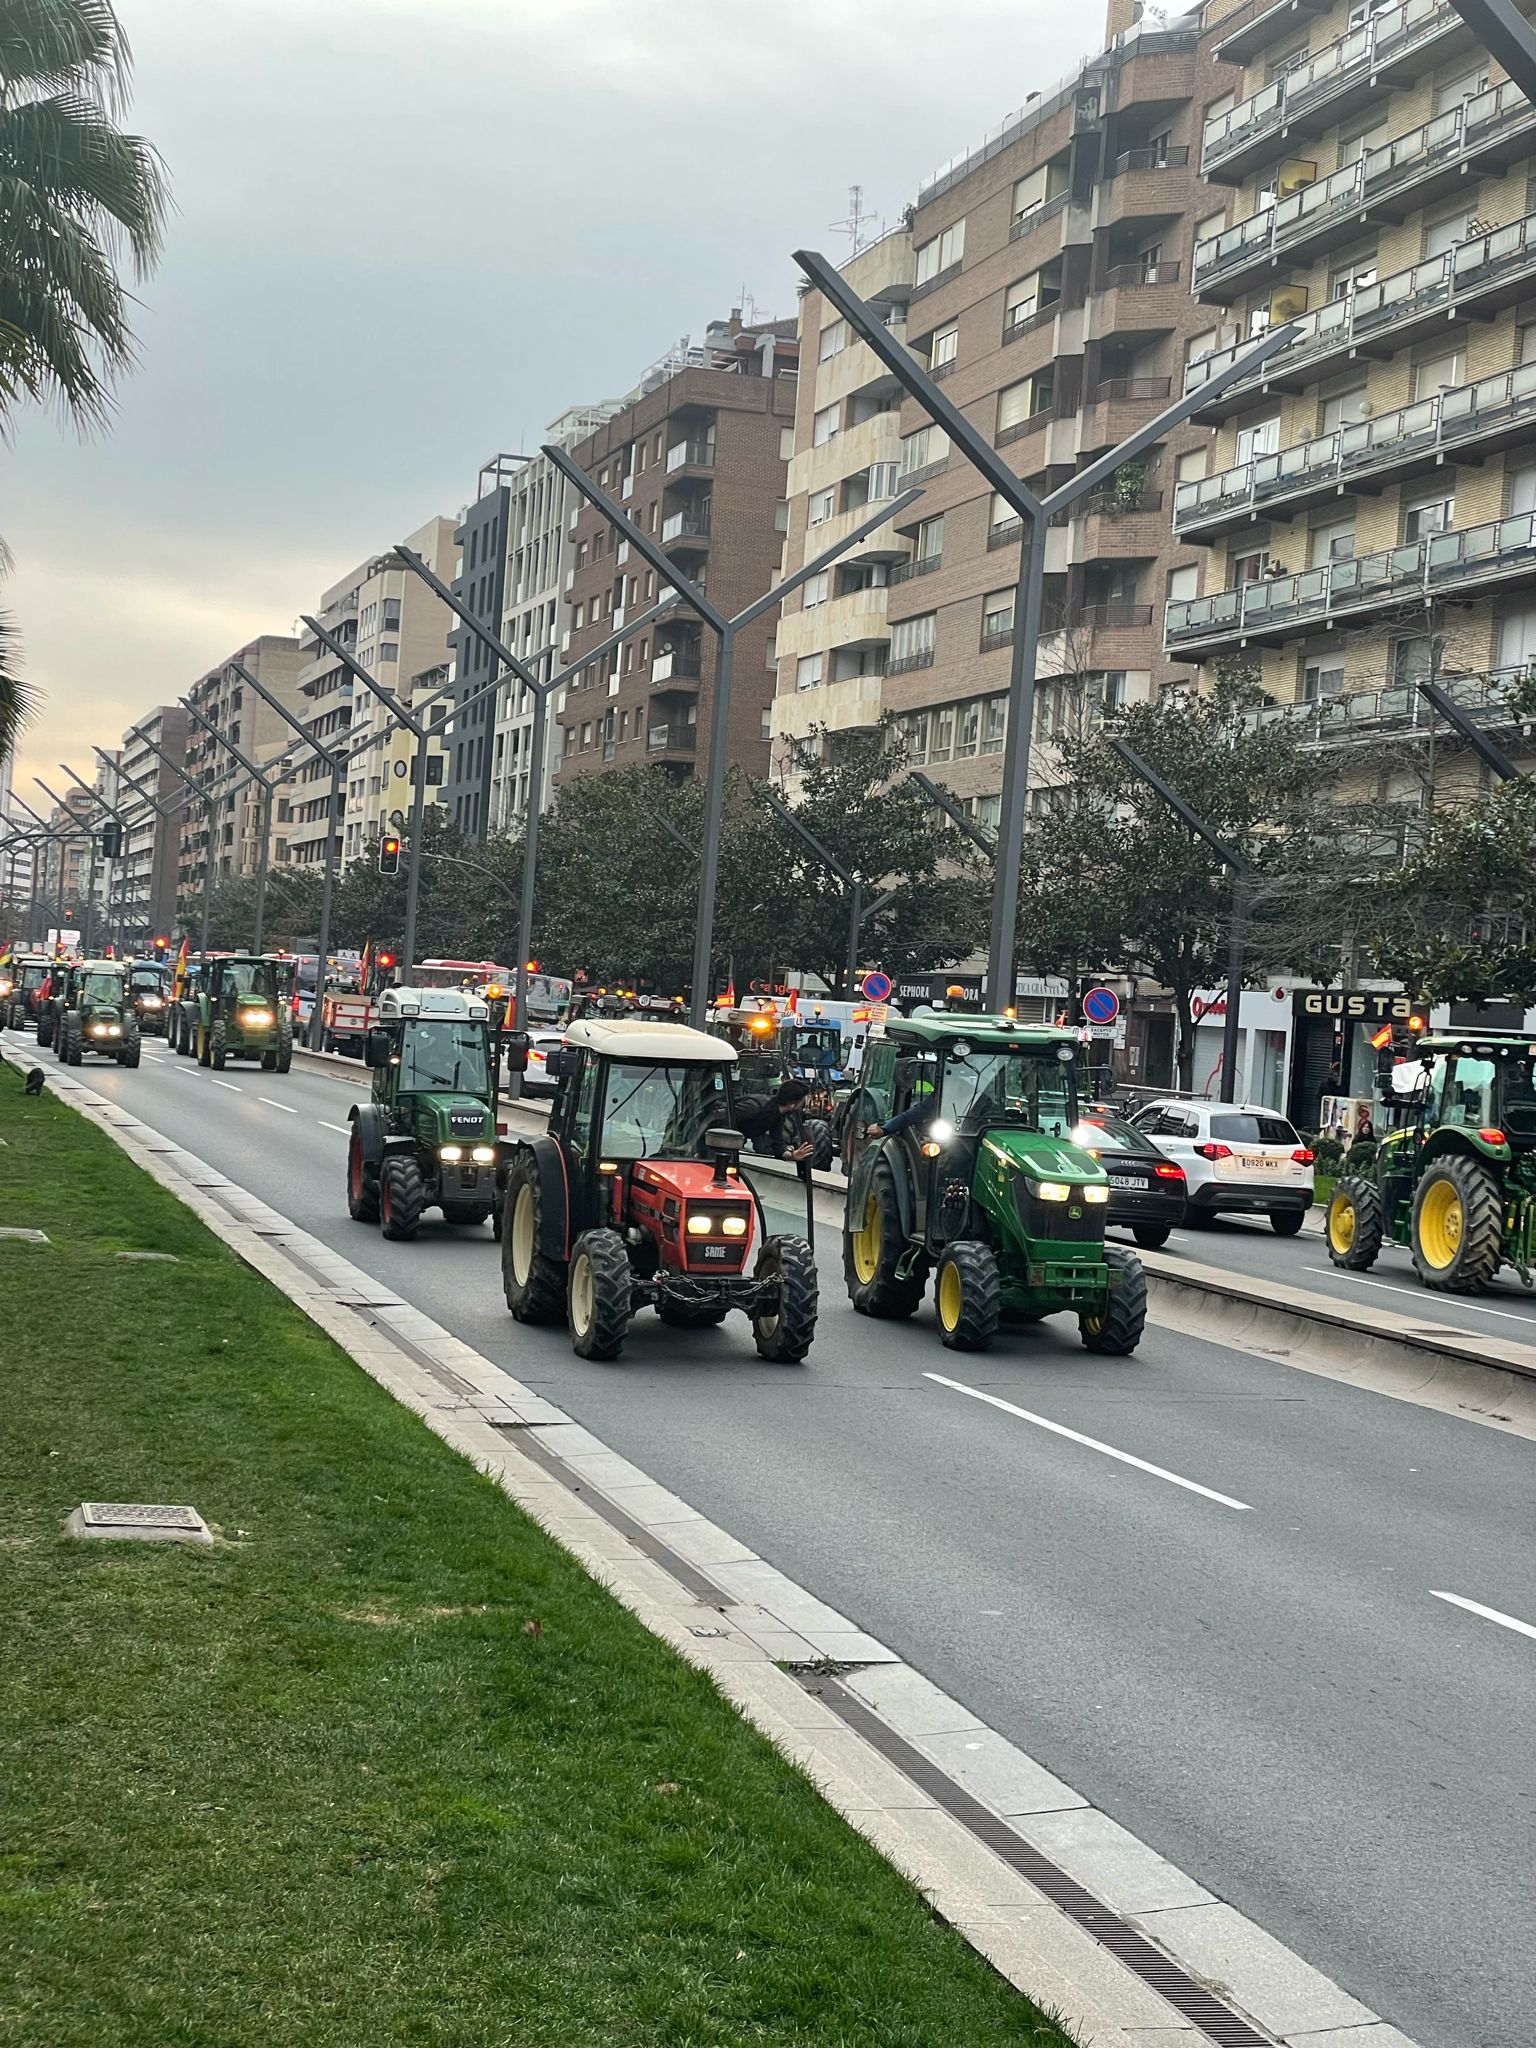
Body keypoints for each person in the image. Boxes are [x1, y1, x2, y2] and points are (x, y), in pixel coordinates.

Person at [735, 1078, 816, 1160]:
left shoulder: (778, 1116)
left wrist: (792, 1156)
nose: (801, 1107)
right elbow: (724, 1118)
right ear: (792, 1104)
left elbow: (778, 1145)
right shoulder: (754, 1107)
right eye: (801, 1102)